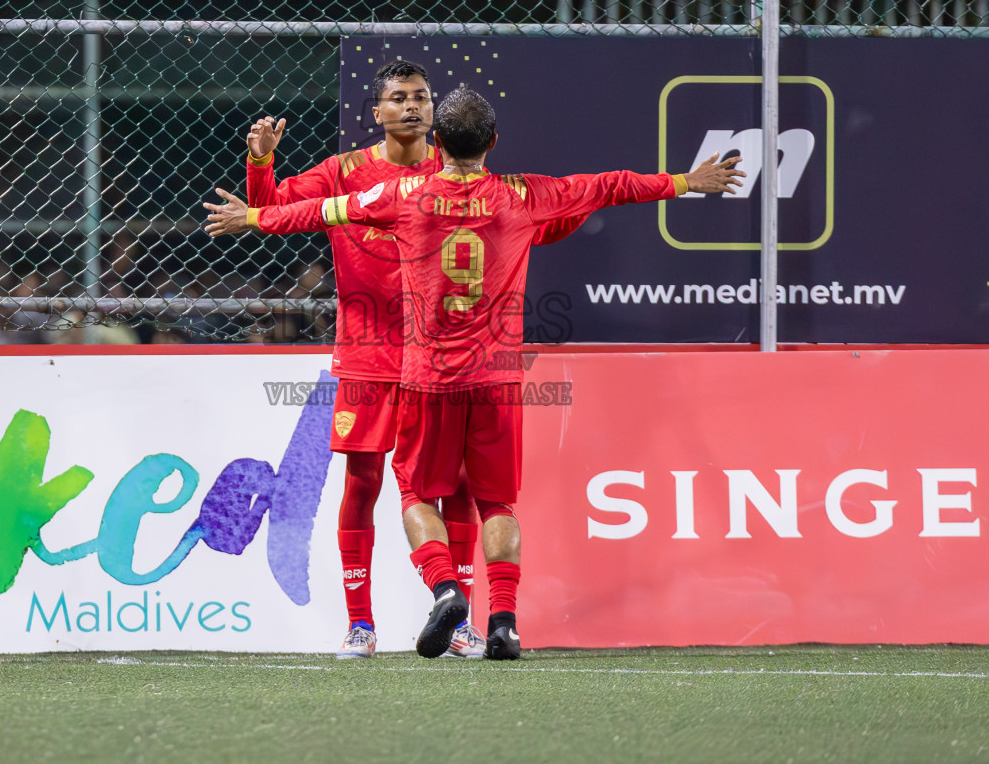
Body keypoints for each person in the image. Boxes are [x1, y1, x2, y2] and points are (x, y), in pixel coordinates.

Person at [207, 87, 743, 659]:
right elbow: (611, 184)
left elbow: (321, 211)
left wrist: (256, 216)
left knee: (414, 493)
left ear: (437, 141)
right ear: (494, 142)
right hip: (497, 382)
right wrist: (687, 181)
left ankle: (443, 590)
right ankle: (504, 622)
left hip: (426, 380)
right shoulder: (527, 196)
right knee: (496, 504)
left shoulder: (400, 195)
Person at [241, 60, 584, 660]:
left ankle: (459, 624)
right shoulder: (344, 172)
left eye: (421, 98)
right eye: (397, 98)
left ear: (435, 113)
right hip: (370, 356)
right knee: (364, 481)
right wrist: (262, 161)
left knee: (455, 490)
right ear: (375, 112)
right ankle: (360, 624)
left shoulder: (455, 171)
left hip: (441, 363)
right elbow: (268, 208)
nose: (411, 107)